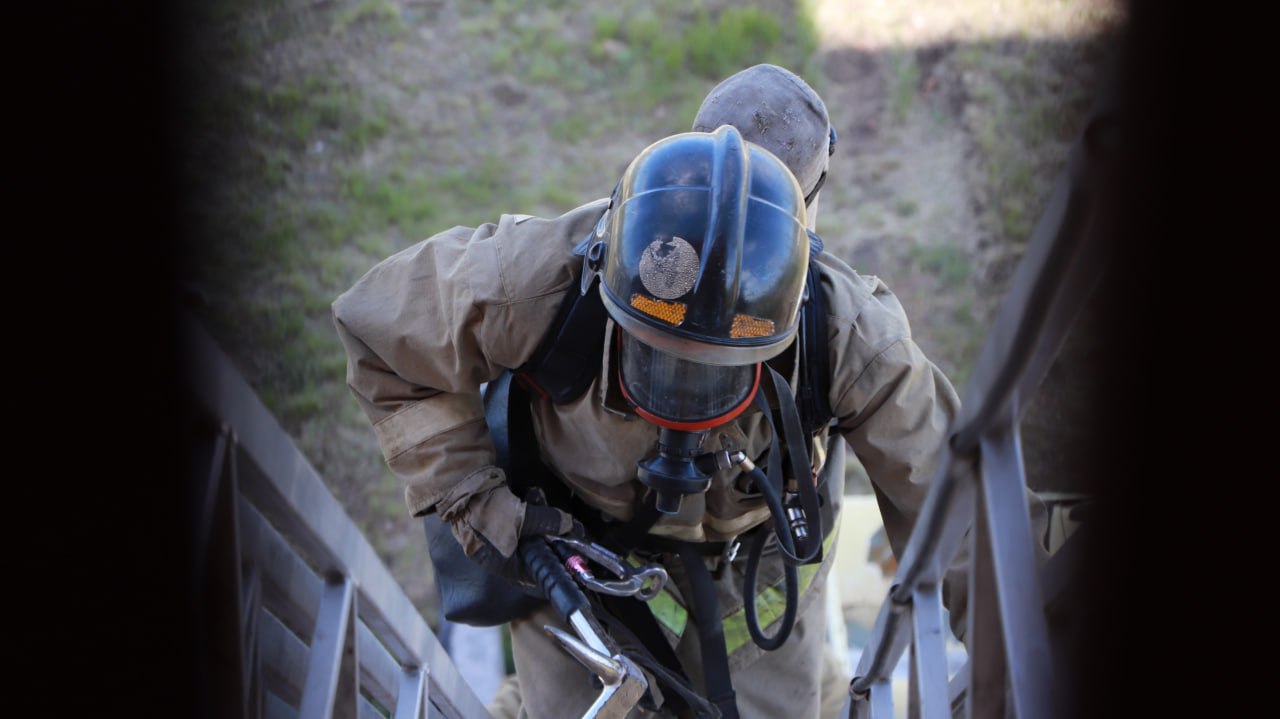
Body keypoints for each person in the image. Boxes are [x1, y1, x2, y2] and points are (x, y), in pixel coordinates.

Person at [333, 64, 967, 719]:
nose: (683, 400)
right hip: (584, 566)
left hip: (760, 583)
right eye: (658, 357)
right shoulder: (540, 280)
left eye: (718, 369)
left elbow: (966, 514)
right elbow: (381, 331)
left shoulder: (850, 335)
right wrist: (475, 501)